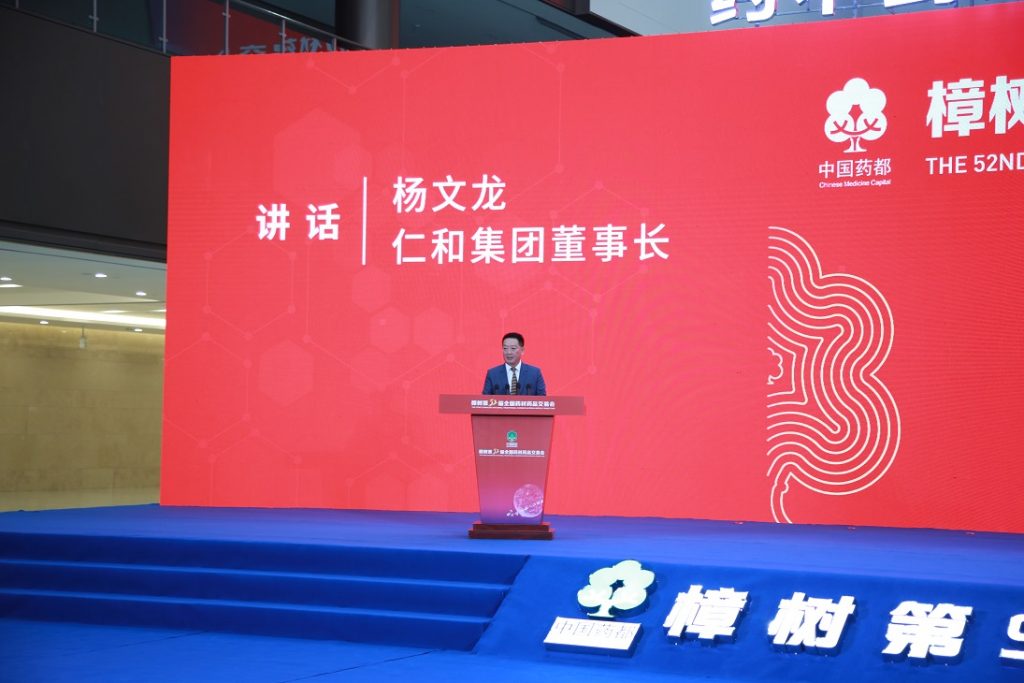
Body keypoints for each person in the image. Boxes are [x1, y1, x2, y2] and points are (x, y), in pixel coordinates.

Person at [482, 332, 546, 396]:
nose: (509, 352)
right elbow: (484, 399)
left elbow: (542, 399)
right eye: (505, 348)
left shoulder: (535, 373)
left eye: (513, 348)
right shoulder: (492, 374)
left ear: (522, 350)